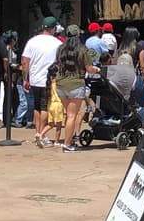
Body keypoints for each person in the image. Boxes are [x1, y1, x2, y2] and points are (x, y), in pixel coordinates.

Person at [50, 25, 96, 152]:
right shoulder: (82, 50)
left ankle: (68, 140)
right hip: (76, 85)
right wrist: (96, 69)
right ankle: (67, 144)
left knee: (68, 115)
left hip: (60, 85)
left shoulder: (60, 48)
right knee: (71, 116)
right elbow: (89, 68)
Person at [21, 17, 62, 147]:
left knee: (37, 106)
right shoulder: (57, 43)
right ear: (53, 28)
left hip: (34, 79)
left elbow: (25, 61)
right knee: (45, 107)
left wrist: (25, 78)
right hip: (49, 80)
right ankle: (42, 134)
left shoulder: (32, 41)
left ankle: (37, 132)